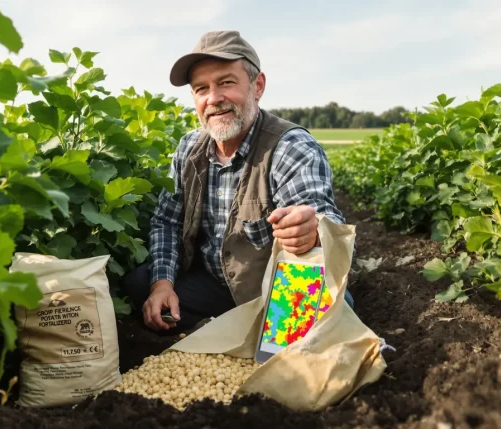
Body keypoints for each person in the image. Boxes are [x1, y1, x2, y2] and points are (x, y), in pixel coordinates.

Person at [122, 30, 352, 333]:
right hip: (215, 286)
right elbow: (167, 221)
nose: (214, 98)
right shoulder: (189, 149)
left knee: (323, 304)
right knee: (140, 286)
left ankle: (250, 333)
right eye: (201, 88)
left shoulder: (288, 146)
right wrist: (162, 284)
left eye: (226, 83)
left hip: (272, 289)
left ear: (257, 86)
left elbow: (323, 216)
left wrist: (314, 230)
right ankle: (231, 329)